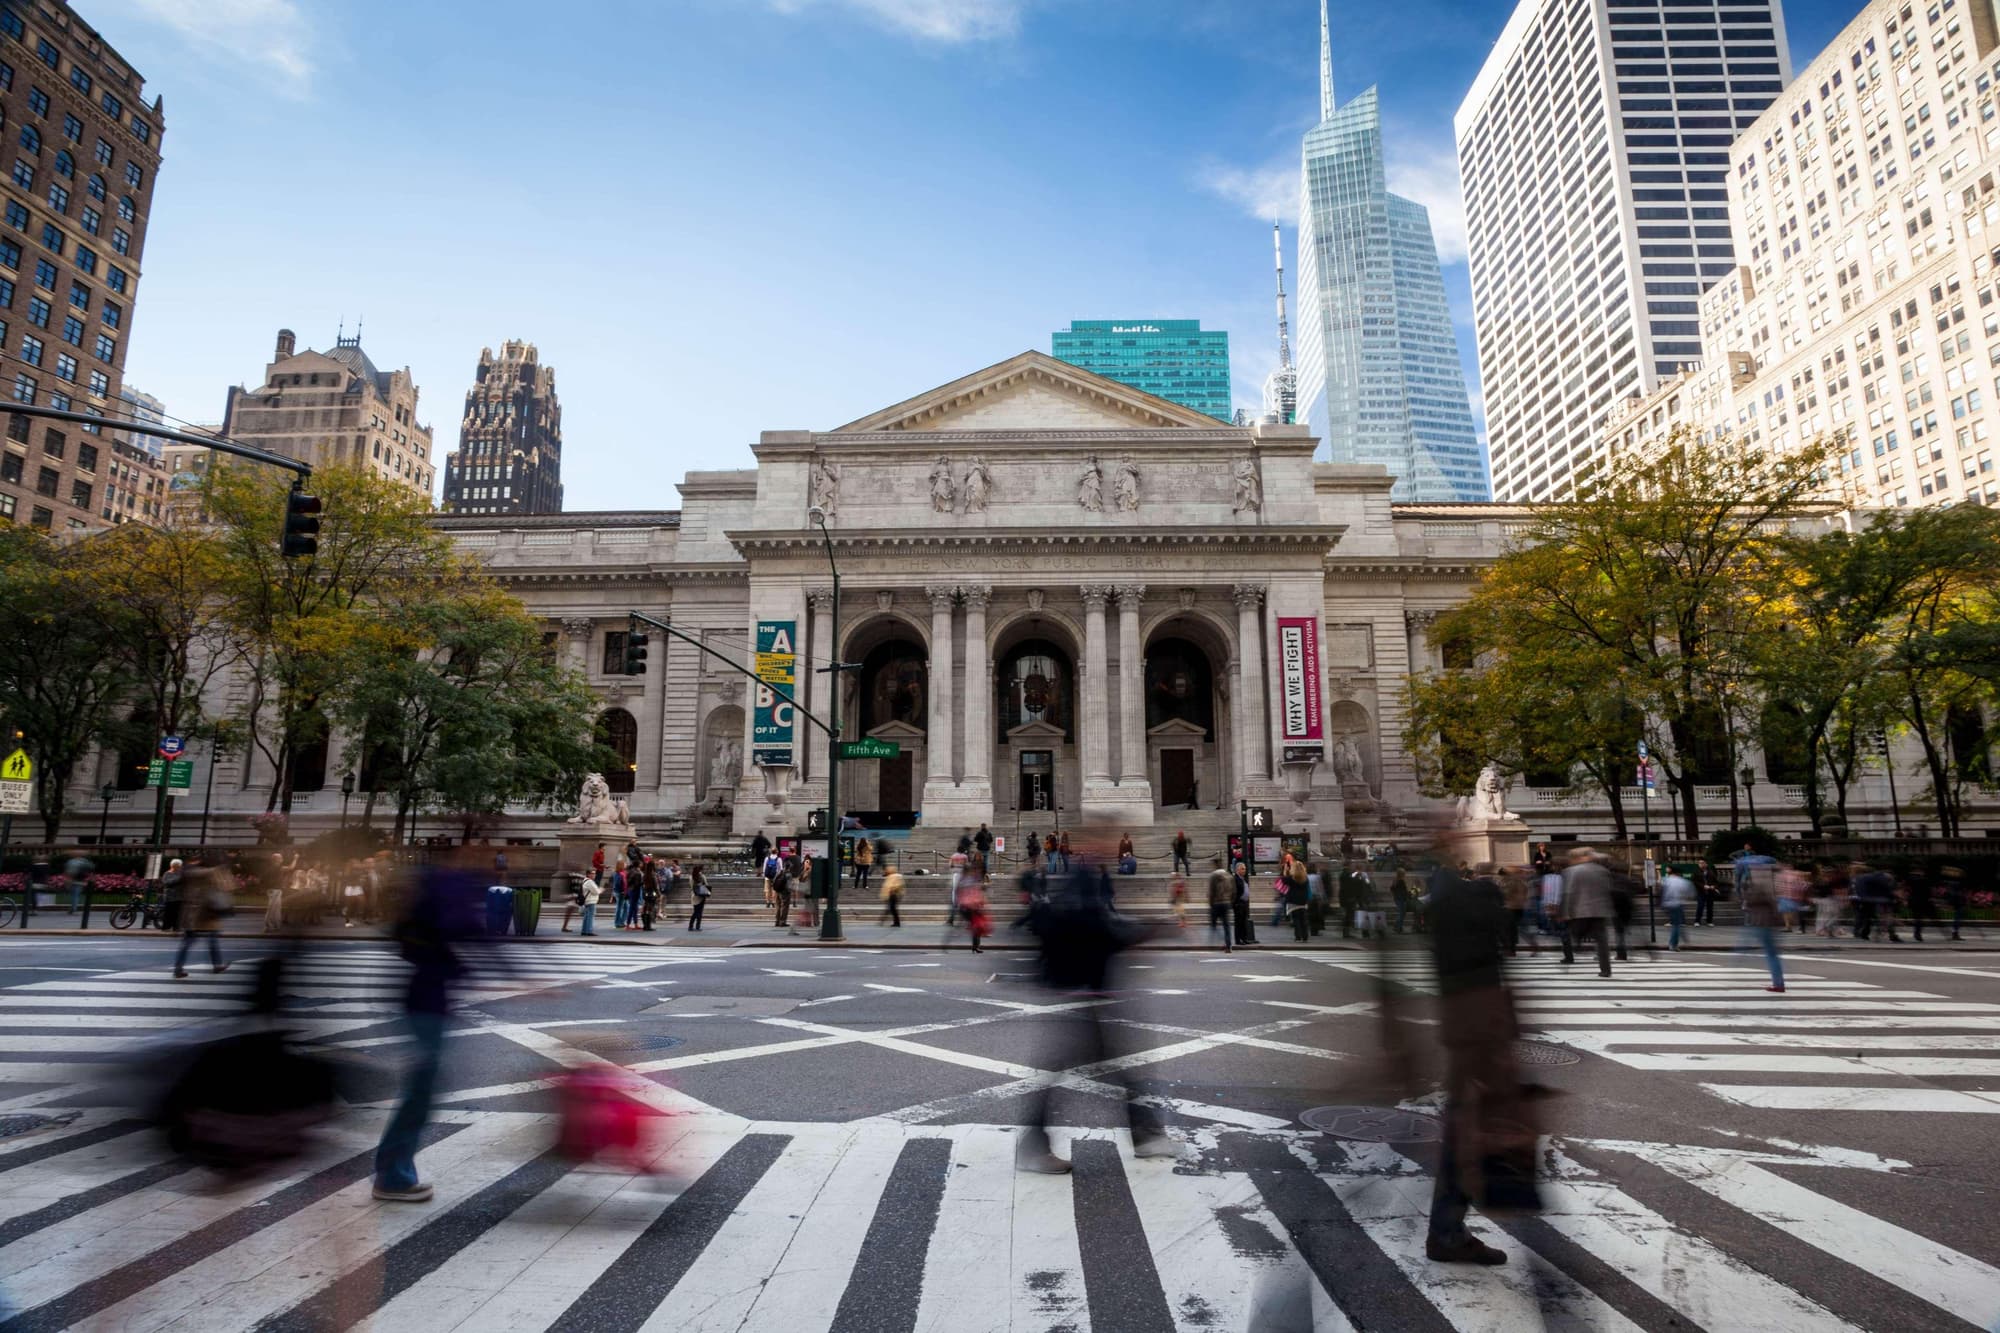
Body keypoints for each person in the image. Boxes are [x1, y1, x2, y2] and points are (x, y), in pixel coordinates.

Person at [1423, 861, 1538, 1264]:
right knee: (1467, 1137)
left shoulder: (1450, 930)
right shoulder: (1474, 937)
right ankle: (1447, 1232)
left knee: (1463, 1135)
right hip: (1476, 1048)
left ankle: (1448, 1230)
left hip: (1467, 1043)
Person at [374, 859, 478, 1202]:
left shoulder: (438, 887)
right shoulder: (444, 888)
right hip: (426, 1002)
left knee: (424, 1087)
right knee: (421, 1089)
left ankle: (394, 1172)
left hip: (427, 1000)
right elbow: (472, 934)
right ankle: (392, 1176)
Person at [172, 857, 231, 979]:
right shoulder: (201, 874)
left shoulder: (191, 874)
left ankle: (179, 968)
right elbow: (222, 883)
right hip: (202, 914)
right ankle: (216, 965)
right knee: (209, 940)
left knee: (191, 942)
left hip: (197, 914)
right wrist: (219, 868)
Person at [1560, 848, 1614, 978]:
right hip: (1600, 910)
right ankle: (1605, 969)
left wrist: (1567, 911)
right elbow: (1608, 890)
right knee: (1602, 941)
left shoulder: (1574, 871)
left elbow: (1570, 893)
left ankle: (1577, 944)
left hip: (1581, 910)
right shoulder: (1603, 871)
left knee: (1576, 932)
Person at [1737, 852, 1786, 992]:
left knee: (1771, 954)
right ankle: (1778, 983)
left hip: (1761, 922)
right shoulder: (1771, 883)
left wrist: (1744, 891)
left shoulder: (1758, 885)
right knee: (1772, 953)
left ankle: (1778, 984)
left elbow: (1749, 900)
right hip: (1768, 922)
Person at [1661, 866, 1695, 951]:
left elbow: (1661, 892)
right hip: (1677, 904)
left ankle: (1683, 939)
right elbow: (1691, 894)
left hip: (1667, 904)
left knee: (1676, 923)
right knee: (1677, 924)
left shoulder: (1665, 880)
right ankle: (1673, 944)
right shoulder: (1683, 882)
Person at [1205, 857, 1234, 951]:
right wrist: (1230, 901)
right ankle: (1228, 945)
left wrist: (1210, 903)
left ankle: (1217, 942)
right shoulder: (1228, 875)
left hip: (1216, 903)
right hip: (1226, 902)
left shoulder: (1213, 876)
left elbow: (1211, 891)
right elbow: (1233, 891)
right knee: (1226, 925)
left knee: (1213, 925)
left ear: (1215, 865)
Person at [1284, 854, 1311, 942]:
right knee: (1303, 919)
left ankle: (1298, 936)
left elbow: (1284, 881)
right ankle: (1305, 936)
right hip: (1303, 900)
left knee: (1296, 919)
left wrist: (1286, 871)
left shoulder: (1292, 878)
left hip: (1293, 901)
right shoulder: (1305, 878)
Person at [1231, 860, 1257, 946]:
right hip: (1239, 903)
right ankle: (1238, 940)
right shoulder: (1235, 879)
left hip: (1244, 903)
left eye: (1245, 869)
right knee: (1238, 922)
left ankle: (1244, 938)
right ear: (1237, 870)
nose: (1244, 870)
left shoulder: (1243, 879)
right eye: (1242, 869)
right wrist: (1235, 903)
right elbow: (1233, 892)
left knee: (1243, 922)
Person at [1906, 865, 1934, 943]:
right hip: (1922, 902)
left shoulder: (1911, 879)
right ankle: (1917, 933)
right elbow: (1928, 892)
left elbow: (1908, 889)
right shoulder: (1925, 880)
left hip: (1913, 901)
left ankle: (1917, 932)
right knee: (1920, 918)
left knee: (1917, 918)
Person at [159, 858, 185, 933]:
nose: (180, 867)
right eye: (179, 865)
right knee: (168, 913)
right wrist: (178, 880)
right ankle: (166, 927)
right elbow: (166, 883)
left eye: (180, 865)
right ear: (173, 865)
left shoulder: (181, 874)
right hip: (170, 897)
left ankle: (176, 927)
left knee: (177, 913)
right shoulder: (167, 873)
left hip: (179, 896)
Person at [879, 861, 905, 927]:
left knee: (892, 909)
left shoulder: (895, 876)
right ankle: (894, 922)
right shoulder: (892, 876)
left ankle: (895, 922)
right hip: (893, 894)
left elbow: (891, 886)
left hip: (893, 894)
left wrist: (891, 891)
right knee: (892, 909)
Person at [1694, 858, 1719, 926]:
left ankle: (1709, 921)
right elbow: (1695, 881)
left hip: (1710, 892)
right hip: (1701, 892)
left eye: (1702, 863)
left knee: (1710, 907)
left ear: (1706, 864)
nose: (1700, 864)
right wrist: (1703, 886)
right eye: (1699, 863)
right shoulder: (1696, 872)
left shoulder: (1711, 872)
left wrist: (1714, 886)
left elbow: (1716, 882)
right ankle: (1697, 921)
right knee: (1700, 906)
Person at [772, 856, 795, 929]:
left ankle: (777, 921)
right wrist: (789, 892)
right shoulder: (789, 874)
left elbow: (774, 880)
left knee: (778, 906)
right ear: (789, 866)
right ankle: (783, 921)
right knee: (784, 907)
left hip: (777, 891)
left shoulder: (780, 872)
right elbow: (789, 885)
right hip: (785, 892)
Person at [687, 864, 710, 931]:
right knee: (699, 912)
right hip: (701, 895)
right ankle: (697, 926)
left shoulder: (691, 877)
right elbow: (706, 884)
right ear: (700, 869)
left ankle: (691, 926)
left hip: (694, 896)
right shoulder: (702, 876)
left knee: (695, 912)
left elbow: (691, 886)